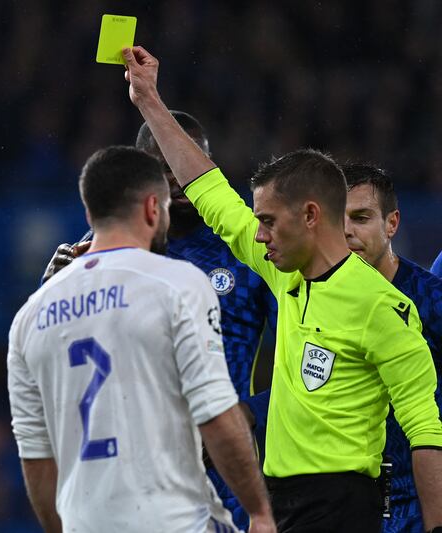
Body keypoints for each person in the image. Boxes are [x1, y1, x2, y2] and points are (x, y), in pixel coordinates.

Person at [121, 45, 442, 531]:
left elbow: (425, 430)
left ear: (310, 217)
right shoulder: (282, 272)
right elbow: (210, 192)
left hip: (344, 507)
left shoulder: (385, 307)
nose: (260, 234)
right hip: (278, 499)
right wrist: (148, 99)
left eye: (269, 221)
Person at [8, 145, 276, 532]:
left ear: (90, 212)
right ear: (154, 208)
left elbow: (35, 457)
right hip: (174, 514)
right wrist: (260, 512)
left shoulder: (30, 315)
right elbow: (216, 415)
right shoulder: (179, 284)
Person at [342, 163, 442, 532]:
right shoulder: (316, 295)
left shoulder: (430, 300)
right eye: (339, 219)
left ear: (392, 224)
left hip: (416, 500)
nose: (347, 231)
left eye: (361, 217)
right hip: (343, 496)